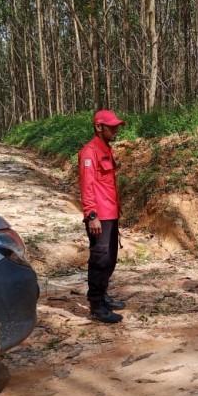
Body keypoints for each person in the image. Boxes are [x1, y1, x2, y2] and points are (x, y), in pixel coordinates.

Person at [78, 109, 127, 323]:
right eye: (112, 126)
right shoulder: (90, 152)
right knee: (100, 259)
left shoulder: (106, 149)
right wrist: (92, 215)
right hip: (99, 216)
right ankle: (97, 305)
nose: (116, 130)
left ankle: (103, 295)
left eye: (117, 126)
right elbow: (87, 186)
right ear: (99, 127)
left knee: (110, 259)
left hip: (111, 213)